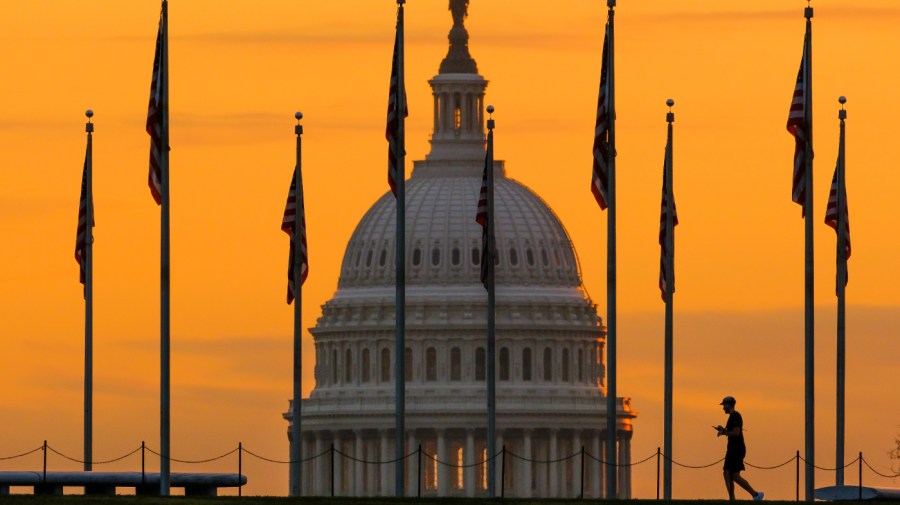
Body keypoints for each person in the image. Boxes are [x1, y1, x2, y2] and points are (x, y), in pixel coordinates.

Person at [715, 396, 764, 501]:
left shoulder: (735, 416)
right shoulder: (732, 417)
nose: (723, 408)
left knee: (730, 474)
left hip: (736, 449)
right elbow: (733, 432)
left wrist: (723, 432)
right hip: (733, 449)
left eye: (724, 405)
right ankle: (753, 495)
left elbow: (736, 433)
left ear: (729, 405)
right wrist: (723, 430)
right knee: (730, 474)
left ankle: (753, 495)